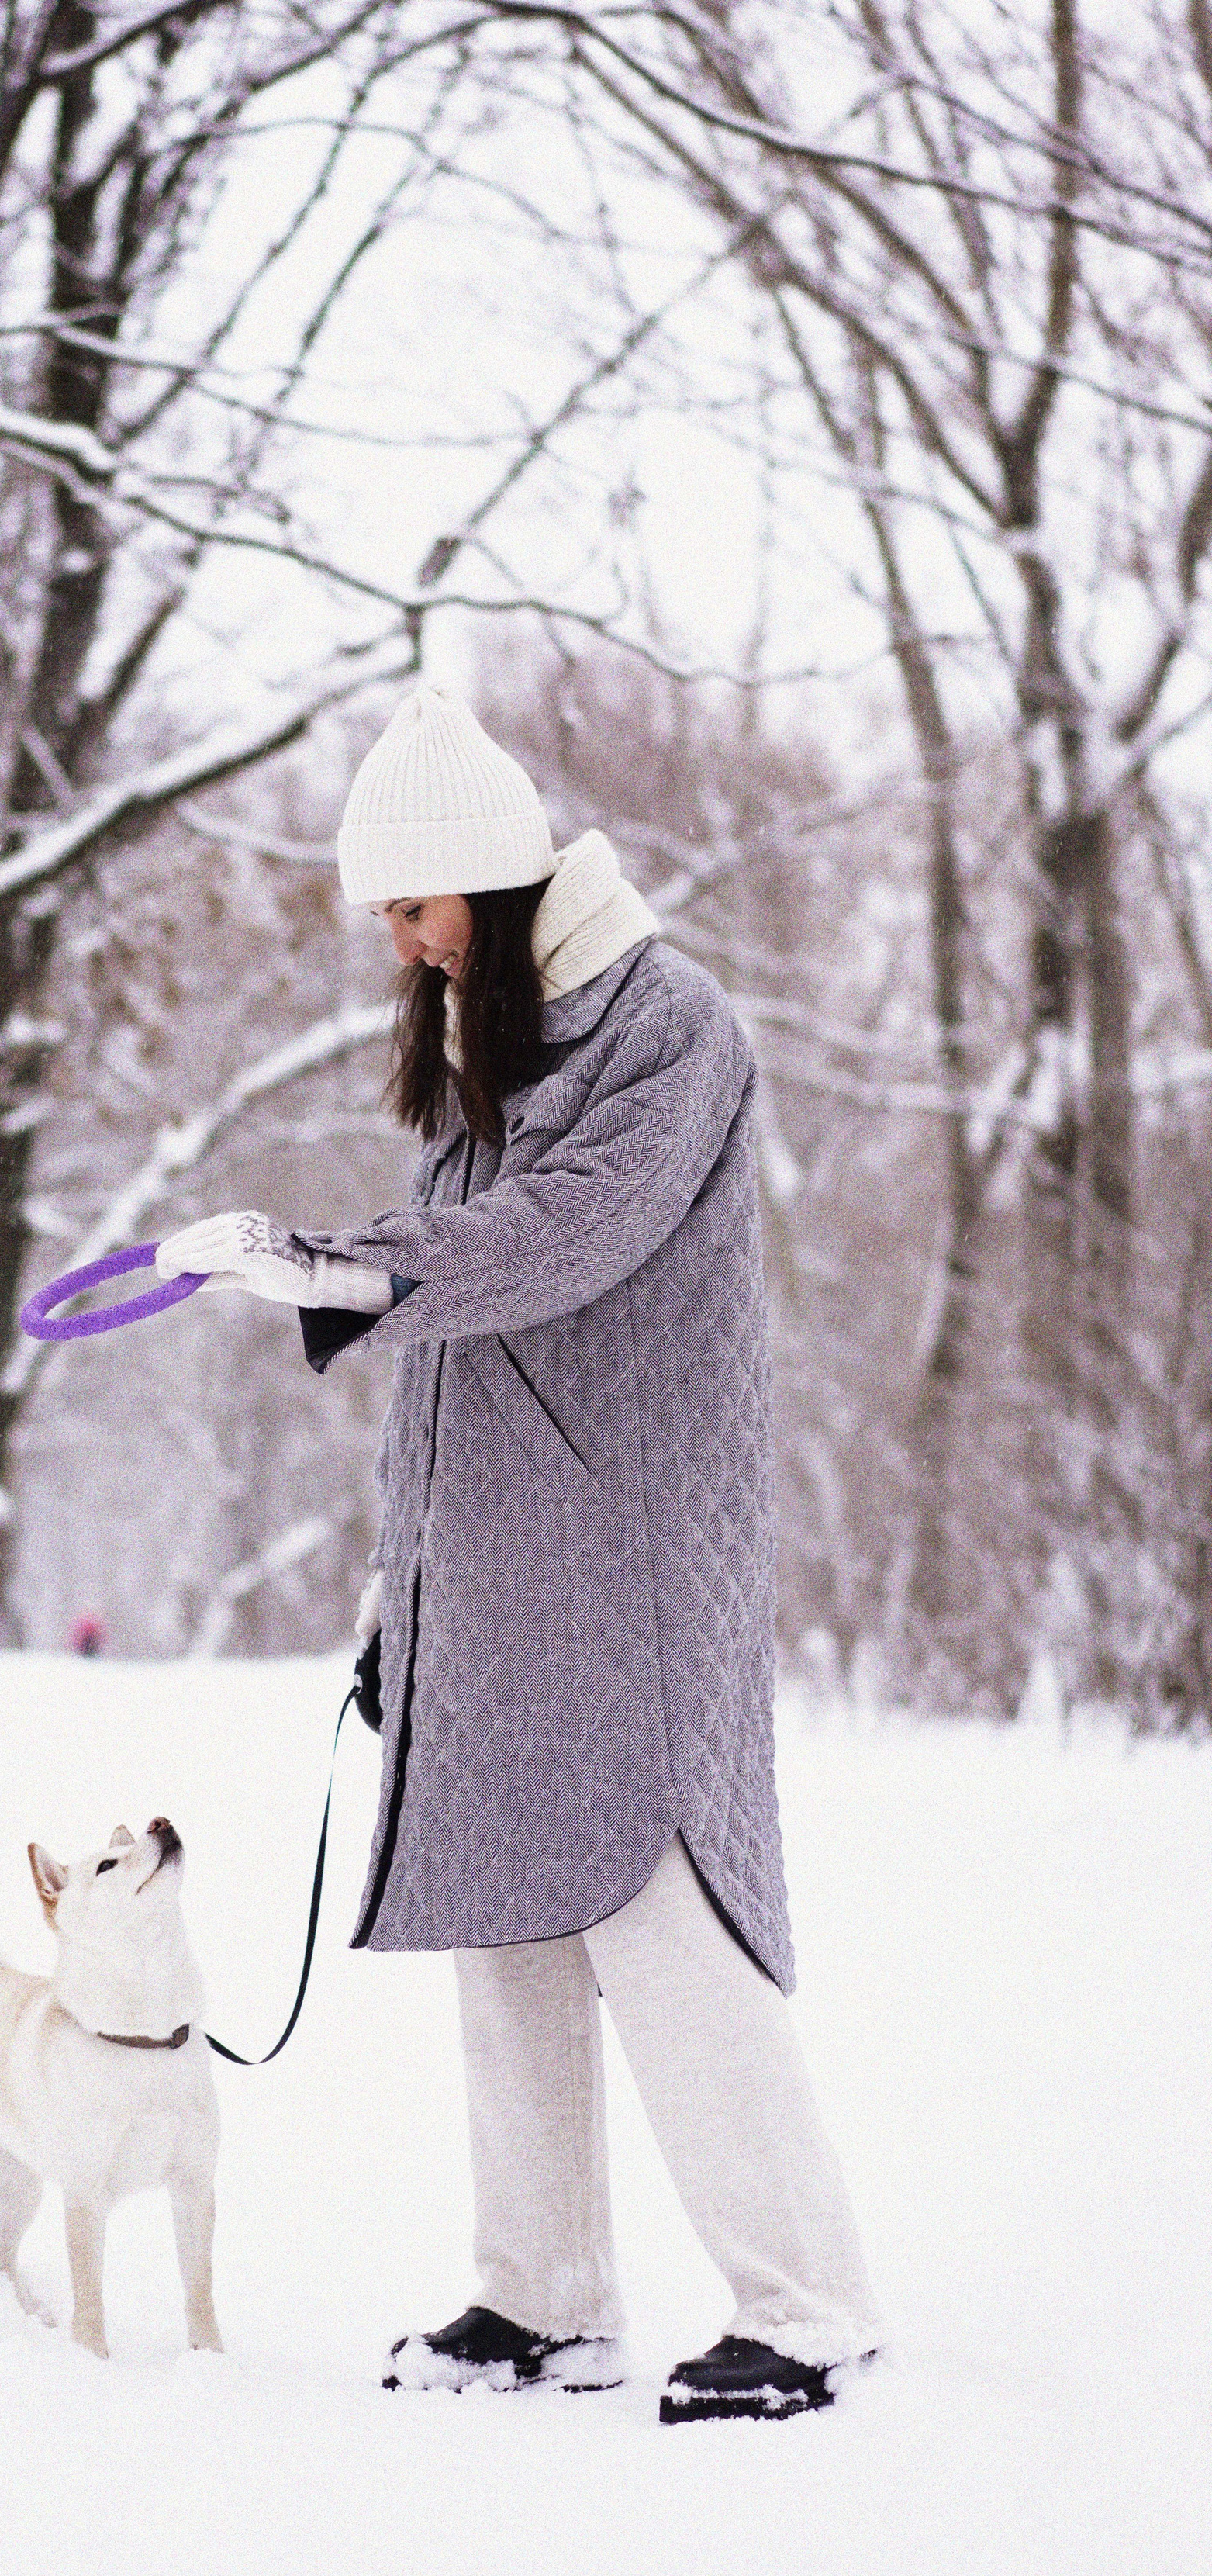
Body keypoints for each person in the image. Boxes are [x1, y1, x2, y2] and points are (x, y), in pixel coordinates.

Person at [156, 686, 881, 2423]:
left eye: (409, 910)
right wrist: (395, 1582)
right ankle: (541, 2303)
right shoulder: (503, 1043)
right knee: (506, 1924)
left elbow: (556, 1241)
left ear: (482, 879)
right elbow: (467, 1348)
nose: (399, 947)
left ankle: (807, 2309)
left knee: (653, 1910)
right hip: (490, 1565)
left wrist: (333, 1262)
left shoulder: (662, 1024)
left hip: (620, 1563)